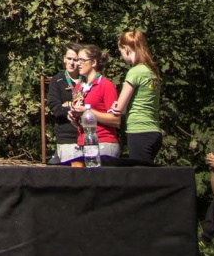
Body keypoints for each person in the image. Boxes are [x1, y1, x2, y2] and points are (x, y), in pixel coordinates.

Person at [111, 28, 162, 165]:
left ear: (126, 49)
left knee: (141, 178)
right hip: (153, 130)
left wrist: (114, 107)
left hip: (139, 131)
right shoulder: (151, 71)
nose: (121, 56)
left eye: (121, 51)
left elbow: (119, 108)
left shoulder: (135, 72)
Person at [69, 45, 121, 162]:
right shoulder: (79, 87)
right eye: (77, 60)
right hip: (83, 143)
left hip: (103, 142)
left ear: (93, 62)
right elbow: (80, 122)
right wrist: (74, 118)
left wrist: (87, 112)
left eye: (82, 60)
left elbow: (116, 120)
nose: (78, 64)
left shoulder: (105, 85)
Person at [47, 44, 82, 164]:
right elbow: (56, 109)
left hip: (88, 136)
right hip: (67, 138)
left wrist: (67, 105)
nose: (71, 63)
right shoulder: (57, 80)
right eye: (69, 59)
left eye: (76, 60)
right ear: (64, 59)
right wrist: (74, 107)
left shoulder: (87, 80)